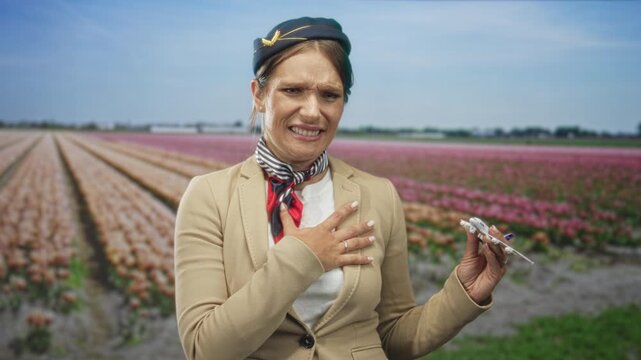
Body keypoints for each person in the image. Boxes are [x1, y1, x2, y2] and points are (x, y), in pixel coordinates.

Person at [174, 17, 509, 360]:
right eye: (293, 90)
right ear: (259, 95)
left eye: (329, 95)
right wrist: (301, 260)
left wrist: (462, 294)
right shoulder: (210, 196)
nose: (312, 111)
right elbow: (205, 350)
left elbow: (392, 336)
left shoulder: (377, 195)